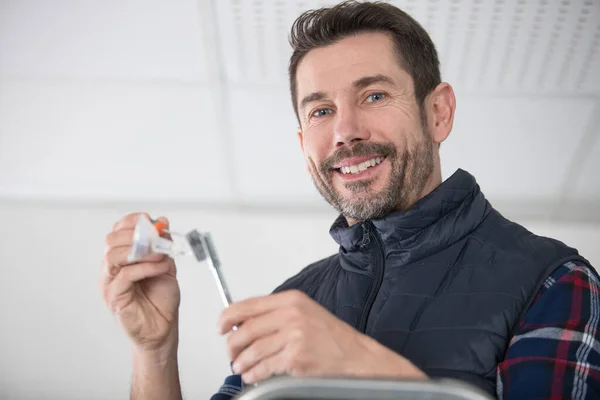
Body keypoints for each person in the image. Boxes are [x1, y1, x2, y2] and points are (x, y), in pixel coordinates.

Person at [99, 1, 600, 399]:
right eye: (320, 110)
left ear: (438, 113)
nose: (344, 131)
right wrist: (155, 351)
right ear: (303, 146)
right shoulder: (291, 300)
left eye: (374, 96)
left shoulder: (552, 280)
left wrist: (357, 363)